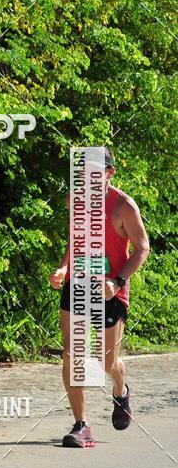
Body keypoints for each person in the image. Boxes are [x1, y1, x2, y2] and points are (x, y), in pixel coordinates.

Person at [49, 147, 150, 447]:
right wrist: (64, 267)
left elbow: (142, 247)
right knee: (72, 354)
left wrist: (118, 281)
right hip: (78, 281)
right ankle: (82, 425)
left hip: (111, 287)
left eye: (97, 172)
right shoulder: (74, 200)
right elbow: (75, 240)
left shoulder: (123, 207)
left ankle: (121, 389)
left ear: (110, 173)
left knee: (107, 363)